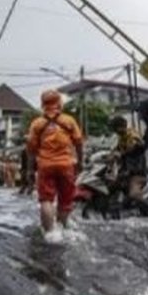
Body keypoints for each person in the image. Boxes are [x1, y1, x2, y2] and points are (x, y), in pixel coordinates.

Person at [27, 89, 85, 233]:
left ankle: (50, 234)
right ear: (59, 103)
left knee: (46, 200)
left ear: (43, 105)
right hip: (66, 165)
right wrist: (80, 162)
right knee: (65, 201)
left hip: (45, 166)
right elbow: (79, 143)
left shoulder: (37, 124)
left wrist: (29, 169)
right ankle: (62, 230)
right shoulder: (69, 120)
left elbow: (31, 149)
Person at [109, 115, 148, 206]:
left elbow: (134, 149)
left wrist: (121, 154)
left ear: (121, 126)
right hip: (126, 170)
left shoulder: (133, 136)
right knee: (112, 185)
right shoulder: (122, 137)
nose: (115, 131)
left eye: (115, 127)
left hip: (137, 172)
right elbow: (116, 150)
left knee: (133, 194)